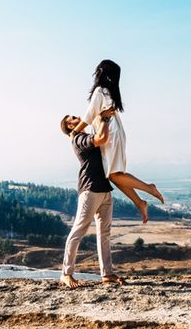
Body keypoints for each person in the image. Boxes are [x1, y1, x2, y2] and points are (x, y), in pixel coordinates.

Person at [70, 59, 163, 223]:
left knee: (115, 175)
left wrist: (75, 132)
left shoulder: (100, 91)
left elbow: (89, 116)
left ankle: (149, 189)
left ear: (100, 72)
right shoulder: (109, 92)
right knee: (115, 175)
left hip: (111, 135)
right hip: (115, 133)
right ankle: (140, 202)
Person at [59, 108, 125, 288]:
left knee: (104, 234)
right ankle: (66, 273)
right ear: (70, 126)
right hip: (90, 190)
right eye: (71, 117)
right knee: (78, 231)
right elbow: (102, 139)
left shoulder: (86, 135)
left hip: (104, 189)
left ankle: (107, 274)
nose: (75, 116)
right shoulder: (78, 138)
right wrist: (103, 117)